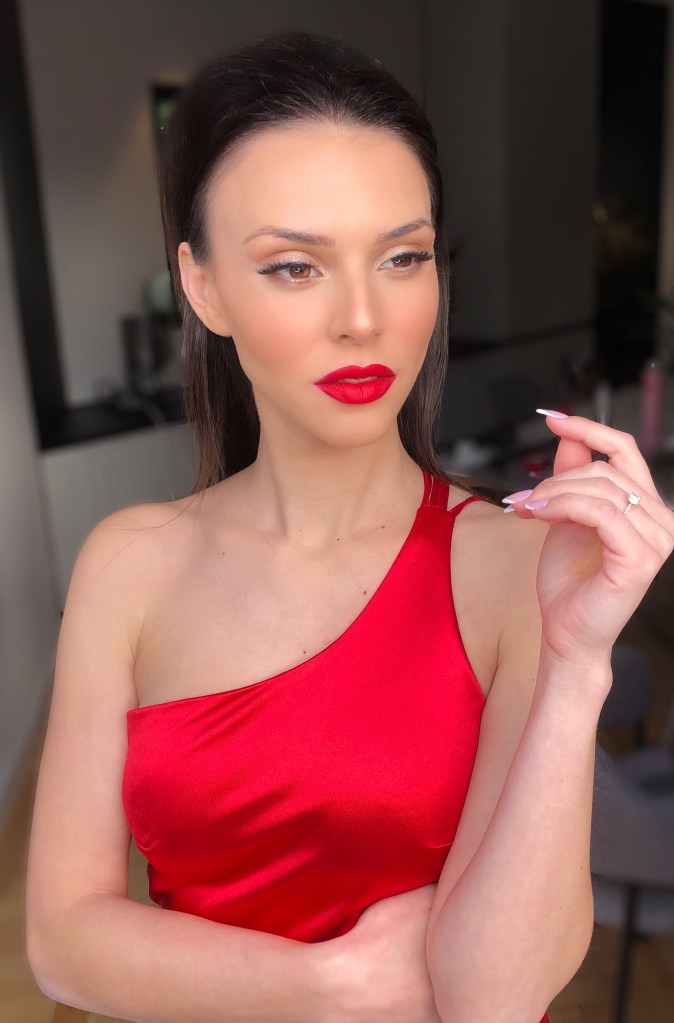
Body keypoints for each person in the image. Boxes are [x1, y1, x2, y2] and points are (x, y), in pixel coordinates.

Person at [26, 28, 674, 1023]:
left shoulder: (516, 565)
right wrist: (325, 985)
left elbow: (494, 1000)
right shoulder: (128, 564)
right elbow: (62, 941)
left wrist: (576, 665)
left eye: (403, 256)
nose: (363, 318)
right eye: (295, 267)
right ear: (203, 286)